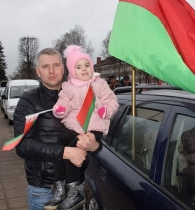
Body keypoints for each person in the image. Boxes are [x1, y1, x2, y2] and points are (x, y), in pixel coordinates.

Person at [13, 48, 101, 210]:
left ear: (64, 68)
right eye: (45, 66)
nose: (51, 71)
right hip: (45, 190)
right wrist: (66, 152)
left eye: (56, 65)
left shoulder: (82, 96)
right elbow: (22, 145)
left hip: (77, 188)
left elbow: (96, 133)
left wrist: (95, 145)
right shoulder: (30, 101)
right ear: (37, 71)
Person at [44, 45, 119, 210]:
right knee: (59, 149)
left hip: (93, 126)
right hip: (73, 126)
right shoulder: (68, 87)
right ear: (71, 71)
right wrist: (60, 109)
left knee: (73, 152)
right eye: (78, 67)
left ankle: (75, 190)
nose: (84, 69)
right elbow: (64, 102)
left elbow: (111, 101)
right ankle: (59, 187)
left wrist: (106, 111)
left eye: (87, 65)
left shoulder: (99, 84)